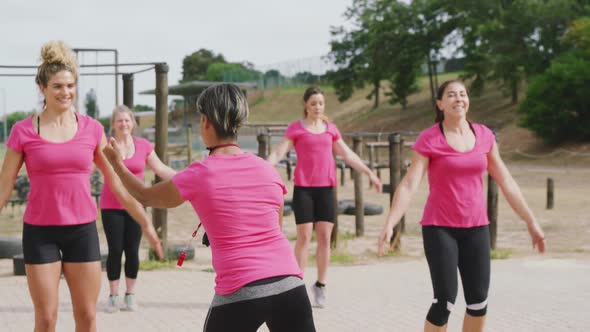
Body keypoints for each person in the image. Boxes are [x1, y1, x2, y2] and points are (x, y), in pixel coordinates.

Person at [103, 83, 316, 332]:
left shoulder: (199, 174)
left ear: (205, 122)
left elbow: (144, 196)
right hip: (290, 284)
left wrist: (117, 163)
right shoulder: (268, 171)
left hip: (240, 289)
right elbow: (275, 228)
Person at [0, 41, 163, 332]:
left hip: (82, 231)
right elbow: (3, 188)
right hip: (40, 233)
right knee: (46, 318)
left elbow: (117, 183)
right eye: (57, 86)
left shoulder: (92, 129)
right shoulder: (23, 131)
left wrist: (146, 224)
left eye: (70, 85)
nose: (66, 92)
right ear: (42, 88)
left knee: (87, 317)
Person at [377, 80, 546, 332]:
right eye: (451, 95)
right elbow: (410, 184)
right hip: (439, 228)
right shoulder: (429, 139)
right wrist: (390, 224)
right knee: (444, 301)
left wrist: (531, 221)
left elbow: (506, 181)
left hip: (476, 227)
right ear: (440, 104)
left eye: (463, 94)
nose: (458, 99)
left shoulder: (485, 136)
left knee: (478, 302)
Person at [267, 86, 382, 308]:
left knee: (324, 238)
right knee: (304, 237)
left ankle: (320, 285)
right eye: (313, 104)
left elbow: (348, 155)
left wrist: (369, 173)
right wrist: (261, 169)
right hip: (304, 190)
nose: (317, 107)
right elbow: (278, 153)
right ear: (305, 106)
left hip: (326, 190)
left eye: (320, 103)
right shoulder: (296, 130)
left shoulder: (331, 130)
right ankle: (296, 287)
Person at [100, 105, 176, 313]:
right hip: (111, 206)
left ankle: (130, 295)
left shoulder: (143, 145)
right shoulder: (106, 146)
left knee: (132, 250)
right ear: (113, 124)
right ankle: (113, 295)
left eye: (127, 120)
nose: (123, 124)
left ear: (133, 123)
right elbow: (87, 167)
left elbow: (160, 169)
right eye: (119, 120)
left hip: (137, 207)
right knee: (115, 250)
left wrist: (185, 179)